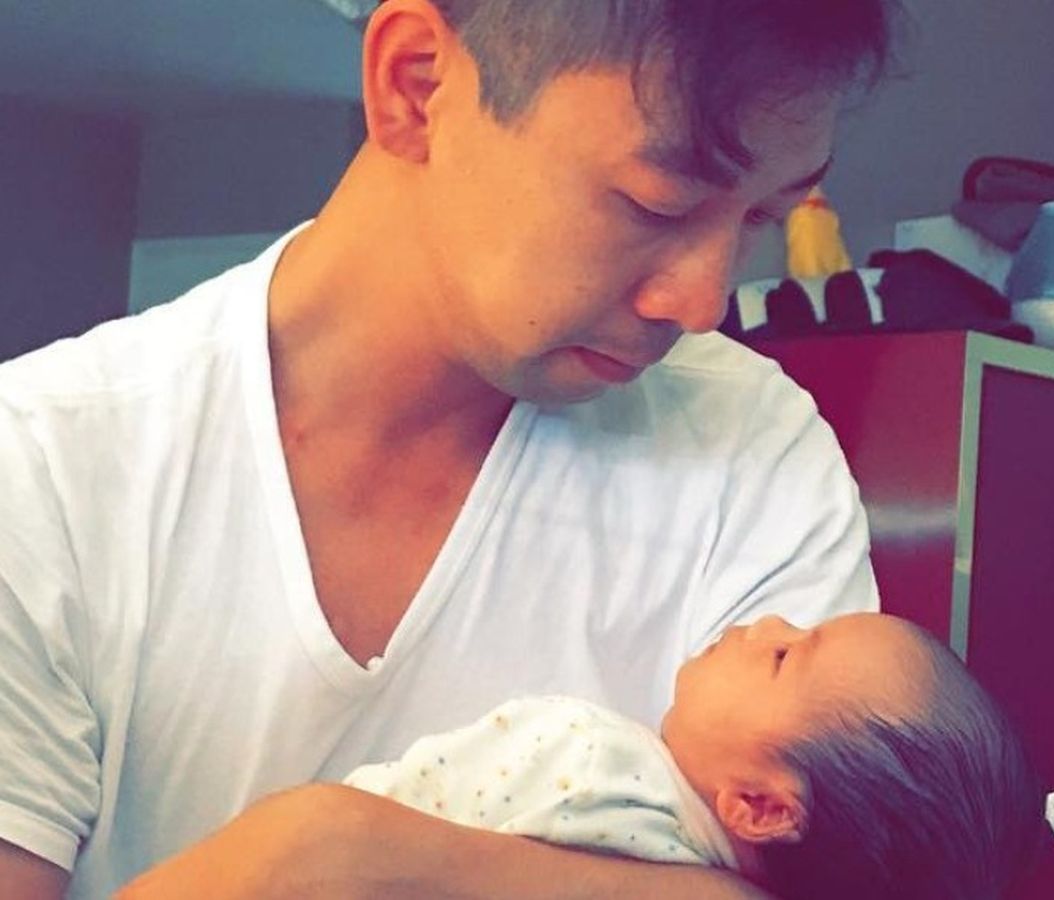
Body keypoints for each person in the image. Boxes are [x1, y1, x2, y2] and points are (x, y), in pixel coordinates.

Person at [0, 1, 903, 897]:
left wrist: (343, 853)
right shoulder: (42, 469)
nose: (704, 303)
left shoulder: (750, 447)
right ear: (416, 85)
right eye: (655, 204)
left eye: (764, 217)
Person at [344, 612, 1043, 899]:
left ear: (760, 807)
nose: (765, 624)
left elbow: (355, 823)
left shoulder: (583, 757)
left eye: (782, 657)